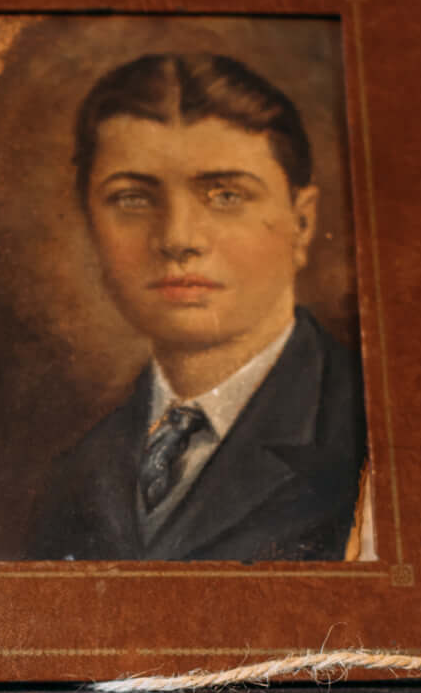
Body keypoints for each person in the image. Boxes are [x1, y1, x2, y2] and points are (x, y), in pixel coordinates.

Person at [25, 51, 365, 561]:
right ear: (89, 222)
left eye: (226, 196)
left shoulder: (369, 432)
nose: (178, 239)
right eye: (132, 198)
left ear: (302, 222)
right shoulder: (74, 474)